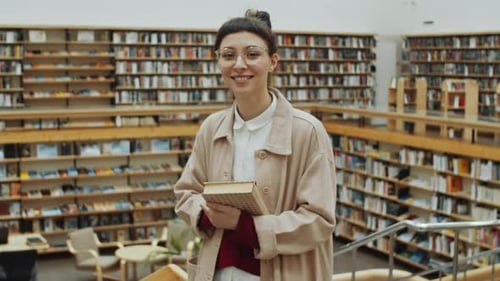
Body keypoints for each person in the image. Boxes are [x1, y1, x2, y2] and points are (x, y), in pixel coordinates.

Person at [174, 8, 336, 281]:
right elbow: (186, 192)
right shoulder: (212, 127)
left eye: (252, 54)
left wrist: (244, 225)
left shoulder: (307, 132)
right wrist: (205, 214)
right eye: (228, 55)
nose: (239, 65)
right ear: (218, 62)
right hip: (220, 270)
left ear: (273, 61)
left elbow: (319, 219)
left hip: (283, 272)